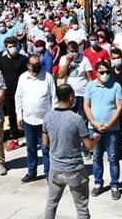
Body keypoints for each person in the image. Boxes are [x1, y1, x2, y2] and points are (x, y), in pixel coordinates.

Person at [43, 84, 101, 219]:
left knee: (51, 204)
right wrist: (96, 137)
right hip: (74, 170)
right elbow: (89, 146)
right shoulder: (77, 119)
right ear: (71, 98)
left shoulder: (48, 117)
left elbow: (45, 143)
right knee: (81, 208)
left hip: (55, 168)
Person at [85, 60, 122, 199]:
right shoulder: (90, 86)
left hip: (112, 128)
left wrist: (109, 123)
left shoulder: (116, 86)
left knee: (113, 157)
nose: (105, 74)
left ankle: (114, 185)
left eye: (107, 72)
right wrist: (93, 122)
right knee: (96, 156)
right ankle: (98, 183)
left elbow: (119, 107)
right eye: (102, 72)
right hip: (94, 128)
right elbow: (86, 106)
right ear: (96, 73)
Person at [16, 54, 56, 182]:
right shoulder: (23, 78)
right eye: (34, 64)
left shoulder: (47, 77)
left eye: (38, 63)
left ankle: (49, 174)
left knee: (46, 148)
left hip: (45, 121)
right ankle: (32, 172)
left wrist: (53, 117)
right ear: (28, 65)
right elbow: (18, 97)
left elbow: (54, 98)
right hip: (28, 120)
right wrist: (19, 115)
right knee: (31, 147)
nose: (37, 65)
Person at [0, 36, 28, 151]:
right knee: (12, 117)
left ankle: (31, 136)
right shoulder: (2, 60)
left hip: (23, 93)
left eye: (14, 46)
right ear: (6, 48)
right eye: (10, 47)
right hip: (8, 93)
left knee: (26, 115)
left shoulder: (23, 59)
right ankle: (15, 139)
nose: (13, 48)